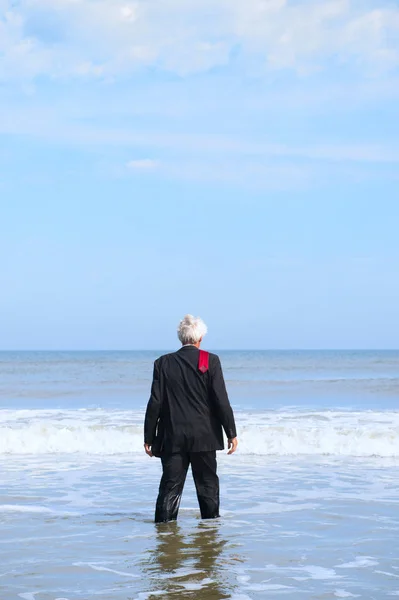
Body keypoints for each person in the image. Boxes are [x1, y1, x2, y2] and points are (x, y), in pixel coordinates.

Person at [144, 314, 238, 523]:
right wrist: (231, 432)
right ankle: (210, 530)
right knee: (207, 487)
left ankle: (165, 535)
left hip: (172, 436)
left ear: (180, 337)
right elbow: (220, 399)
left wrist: (148, 436)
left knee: (170, 487)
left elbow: (155, 403)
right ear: (200, 338)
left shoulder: (163, 363)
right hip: (205, 436)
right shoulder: (210, 360)